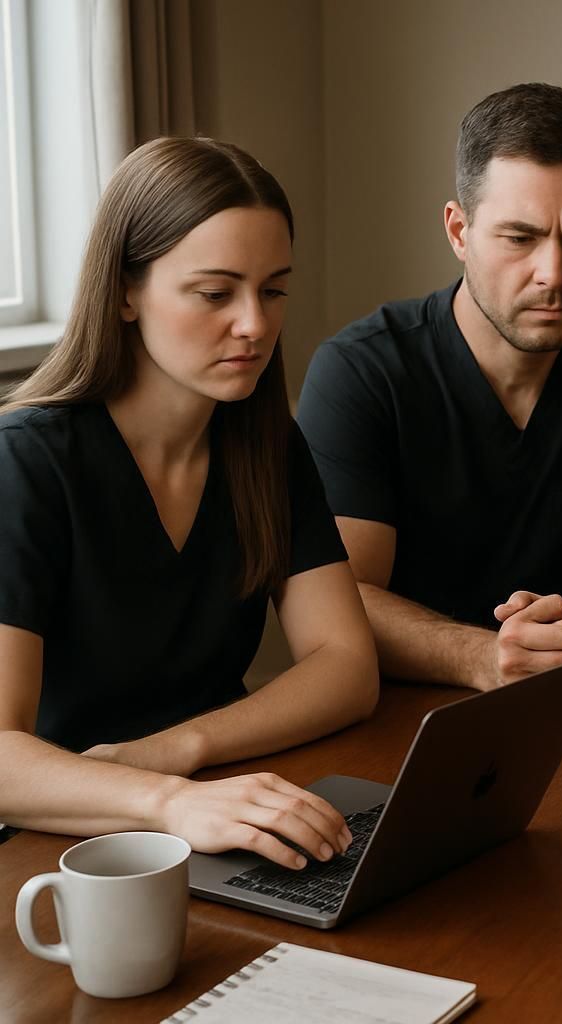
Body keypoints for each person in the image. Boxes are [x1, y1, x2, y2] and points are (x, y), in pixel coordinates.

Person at [0, 137, 377, 870]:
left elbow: (346, 666)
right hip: (68, 848)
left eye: (272, 290)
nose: (255, 324)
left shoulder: (267, 445)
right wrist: (166, 797)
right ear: (125, 292)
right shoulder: (25, 463)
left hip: (219, 808)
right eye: (215, 293)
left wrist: (181, 748)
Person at [296, 83, 562, 691]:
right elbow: (341, 605)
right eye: (521, 237)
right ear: (459, 231)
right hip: (386, 708)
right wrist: (482, 656)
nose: (555, 274)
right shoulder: (362, 372)